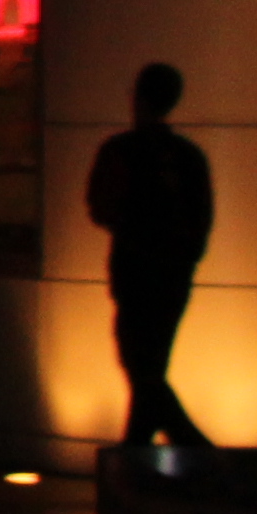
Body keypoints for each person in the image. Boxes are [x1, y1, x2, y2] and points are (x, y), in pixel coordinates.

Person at [84, 61, 219, 450]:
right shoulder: (190, 157)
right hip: (173, 277)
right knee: (151, 366)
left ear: (137, 98)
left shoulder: (120, 151)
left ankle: (182, 447)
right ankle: (145, 447)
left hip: (134, 271)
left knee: (141, 366)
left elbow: (100, 207)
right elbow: (202, 220)